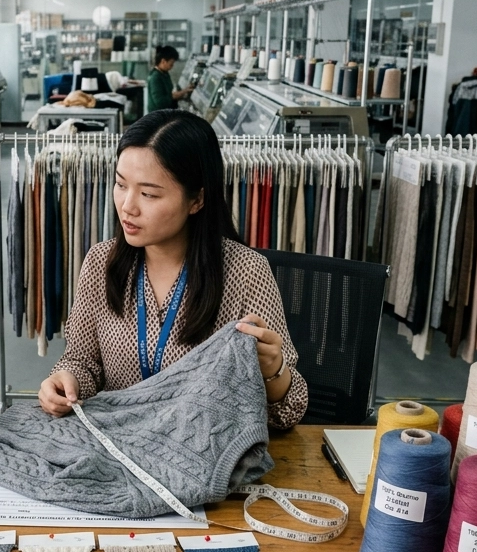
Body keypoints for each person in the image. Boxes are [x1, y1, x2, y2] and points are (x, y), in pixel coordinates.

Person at [38, 109, 308, 430]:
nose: (128, 206)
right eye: (121, 185)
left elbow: (289, 411)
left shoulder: (246, 272)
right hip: (120, 445)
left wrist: (273, 371)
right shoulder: (101, 261)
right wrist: (65, 381)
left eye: (149, 193)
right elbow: (82, 361)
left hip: (201, 455)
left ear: (197, 200)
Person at [145, 45, 192, 113]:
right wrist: (182, 92)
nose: (172, 67)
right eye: (171, 64)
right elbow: (160, 102)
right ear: (163, 61)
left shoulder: (164, 73)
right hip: (158, 115)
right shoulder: (155, 77)